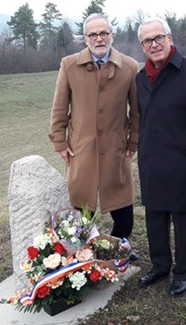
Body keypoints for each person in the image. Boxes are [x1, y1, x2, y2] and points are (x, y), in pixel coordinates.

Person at [136, 17, 186, 297]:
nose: (154, 44)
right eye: (148, 40)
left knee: (182, 220)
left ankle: (182, 272)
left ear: (170, 38)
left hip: (184, 161)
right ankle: (160, 266)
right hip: (151, 161)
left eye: (159, 37)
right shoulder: (140, 79)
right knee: (154, 217)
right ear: (142, 46)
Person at [49, 13, 139, 249]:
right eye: (93, 34)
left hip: (116, 149)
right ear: (85, 38)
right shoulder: (69, 65)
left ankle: (116, 252)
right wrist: (60, 142)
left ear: (112, 35)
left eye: (103, 33)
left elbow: (136, 110)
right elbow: (60, 106)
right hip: (81, 149)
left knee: (124, 215)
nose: (99, 39)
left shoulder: (129, 67)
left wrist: (133, 142)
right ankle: (82, 255)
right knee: (80, 213)